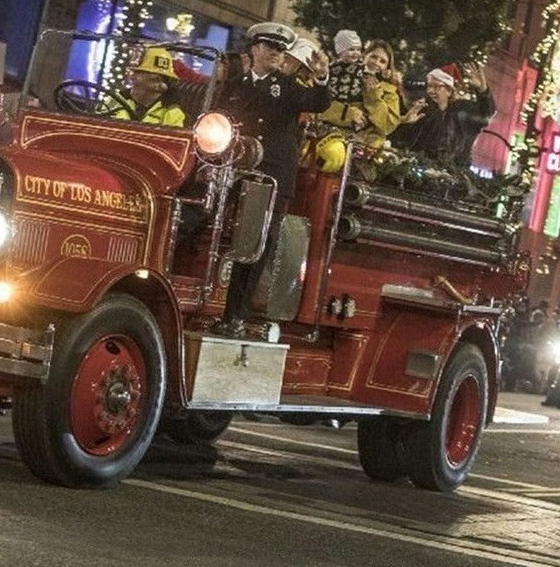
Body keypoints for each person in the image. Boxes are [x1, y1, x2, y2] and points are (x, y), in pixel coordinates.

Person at [212, 22, 331, 336]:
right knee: (222, 236)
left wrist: (321, 76)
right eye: (271, 47)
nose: (278, 53)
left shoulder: (288, 87)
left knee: (255, 245)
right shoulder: (237, 85)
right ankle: (212, 300)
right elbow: (218, 119)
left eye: (281, 49)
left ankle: (236, 314)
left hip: (272, 175)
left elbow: (318, 102)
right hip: (236, 170)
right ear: (255, 50)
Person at [395, 62, 494, 169]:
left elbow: (485, 115)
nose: (431, 90)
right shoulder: (423, 110)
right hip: (420, 169)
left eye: (437, 86)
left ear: (449, 91)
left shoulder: (463, 111)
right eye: (429, 86)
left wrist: (483, 90)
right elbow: (404, 141)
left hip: (454, 174)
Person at [315, 37, 402, 148]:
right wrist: (346, 113)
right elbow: (317, 106)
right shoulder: (340, 75)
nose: (376, 63)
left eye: (383, 61)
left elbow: (387, 126)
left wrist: (373, 97)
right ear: (364, 56)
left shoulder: (390, 92)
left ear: (387, 67)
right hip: (326, 141)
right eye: (373, 57)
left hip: (365, 150)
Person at [106, 46, 187, 127]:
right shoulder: (115, 101)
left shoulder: (172, 113)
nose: (132, 77)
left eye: (139, 73)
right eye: (134, 72)